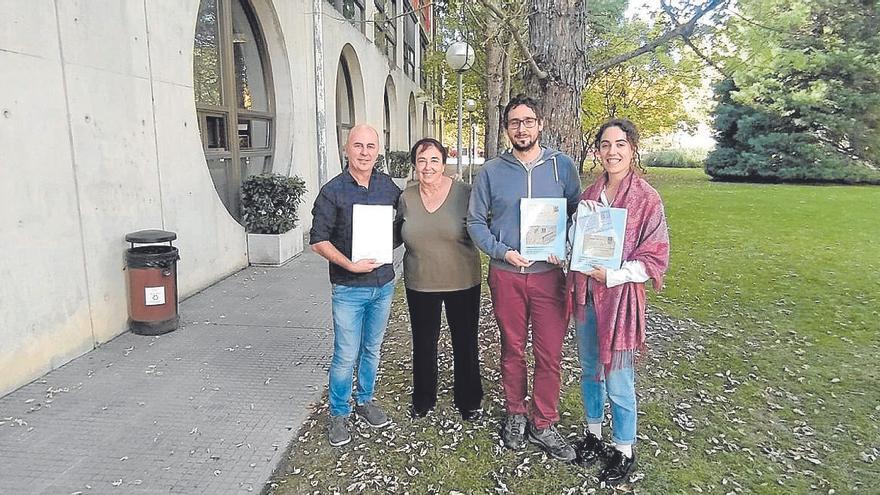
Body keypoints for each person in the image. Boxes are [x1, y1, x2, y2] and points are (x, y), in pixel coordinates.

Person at [467, 94, 581, 461]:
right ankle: (516, 412)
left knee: (550, 353)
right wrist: (501, 251)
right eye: (514, 122)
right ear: (506, 129)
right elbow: (474, 222)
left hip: (550, 277)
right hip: (507, 274)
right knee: (512, 348)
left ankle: (544, 421)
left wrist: (564, 245)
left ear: (540, 124)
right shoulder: (491, 172)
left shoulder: (562, 167)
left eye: (528, 121)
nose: (522, 128)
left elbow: (578, 217)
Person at [568, 119, 670, 484]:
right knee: (589, 369)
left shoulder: (647, 199)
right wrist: (565, 250)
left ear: (632, 150)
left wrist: (613, 275)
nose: (612, 151)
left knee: (619, 377)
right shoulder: (590, 196)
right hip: (586, 298)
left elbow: (655, 257)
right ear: (597, 151)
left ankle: (624, 448)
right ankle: (594, 434)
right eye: (606, 145)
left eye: (620, 144)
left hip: (620, 301)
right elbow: (577, 242)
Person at [309, 124, 402, 447]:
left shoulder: (388, 187)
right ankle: (338, 412)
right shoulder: (332, 191)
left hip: (383, 284)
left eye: (370, 146)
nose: (364, 152)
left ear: (378, 151)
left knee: (372, 349)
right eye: (358, 146)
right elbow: (318, 240)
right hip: (349, 287)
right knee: (346, 354)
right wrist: (349, 263)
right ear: (346, 150)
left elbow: (402, 226)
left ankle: (364, 400)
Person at [397, 138, 483, 421]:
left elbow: (485, 226)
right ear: (414, 165)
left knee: (465, 341)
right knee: (423, 342)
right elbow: (394, 234)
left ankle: (469, 399)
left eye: (434, 160)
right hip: (420, 281)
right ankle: (423, 398)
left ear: (444, 163)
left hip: (462, 280)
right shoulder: (406, 197)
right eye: (421, 161)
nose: (428, 166)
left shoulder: (466, 194)